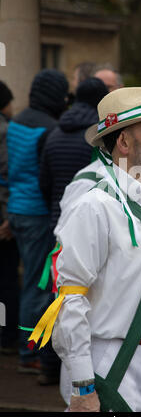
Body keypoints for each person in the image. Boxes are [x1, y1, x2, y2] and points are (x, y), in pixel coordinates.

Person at [28, 87, 141, 412]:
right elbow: (70, 301)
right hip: (112, 369)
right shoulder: (93, 205)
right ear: (124, 142)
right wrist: (83, 385)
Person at [6, 69, 69, 380]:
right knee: (37, 285)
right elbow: (47, 178)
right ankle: (29, 351)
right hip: (37, 214)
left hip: (17, 210)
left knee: (27, 282)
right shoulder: (50, 128)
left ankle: (25, 348)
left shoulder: (16, 121)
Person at [39, 77, 108, 234]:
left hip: (59, 219)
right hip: (90, 223)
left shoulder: (54, 134)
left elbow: (44, 183)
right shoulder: (100, 139)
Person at [0, 81, 20, 355]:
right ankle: (7, 337)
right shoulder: (5, 131)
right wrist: (8, 219)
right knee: (7, 276)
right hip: (2, 215)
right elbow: (6, 177)